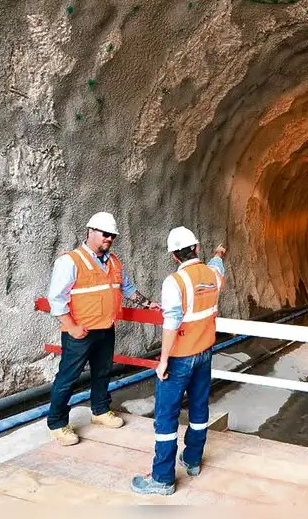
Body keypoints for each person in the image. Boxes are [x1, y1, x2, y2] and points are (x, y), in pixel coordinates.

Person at [45, 211, 160, 446]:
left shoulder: (114, 262)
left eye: (113, 236)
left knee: (102, 372)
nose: (109, 238)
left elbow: (127, 289)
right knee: (68, 378)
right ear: (90, 232)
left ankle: (99, 411)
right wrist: (72, 327)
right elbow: (56, 299)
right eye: (105, 234)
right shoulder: (70, 261)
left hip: (106, 329)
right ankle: (57, 424)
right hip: (81, 332)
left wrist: (149, 304)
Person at [131, 226, 226, 495]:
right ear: (196, 248)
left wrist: (163, 361)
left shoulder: (175, 282)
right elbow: (219, 268)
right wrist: (219, 253)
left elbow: (171, 323)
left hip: (180, 357)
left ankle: (162, 479)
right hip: (205, 353)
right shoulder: (213, 275)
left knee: (166, 417)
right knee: (198, 409)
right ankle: (193, 460)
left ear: (174, 255)